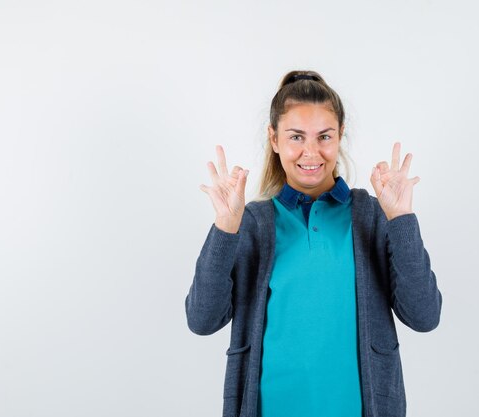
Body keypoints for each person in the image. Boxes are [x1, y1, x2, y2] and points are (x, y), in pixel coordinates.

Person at [185, 70, 442, 417]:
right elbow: (202, 320)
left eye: (324, 136)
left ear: (340, 137)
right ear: (274, 139)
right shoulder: (253, 222)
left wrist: (401, 220)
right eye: (296, 137)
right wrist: (225, 228)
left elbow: (425, 316)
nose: (311, 152)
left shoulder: (371, 215)